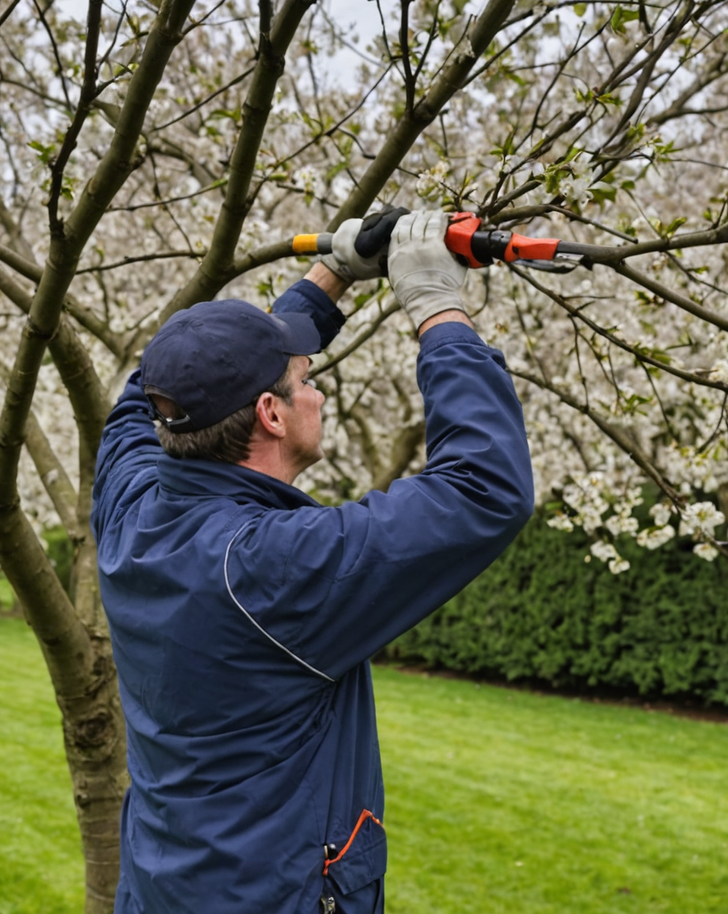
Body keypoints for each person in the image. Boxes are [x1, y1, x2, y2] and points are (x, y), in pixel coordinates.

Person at [92, 211, 535, 913]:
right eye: (306, 378)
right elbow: (483, 489)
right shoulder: (268, 570)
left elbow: (155, 379)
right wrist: (438, 312)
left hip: (163, 890)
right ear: (271, 413)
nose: (319, 391)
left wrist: (331, 274)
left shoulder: (131, 503)